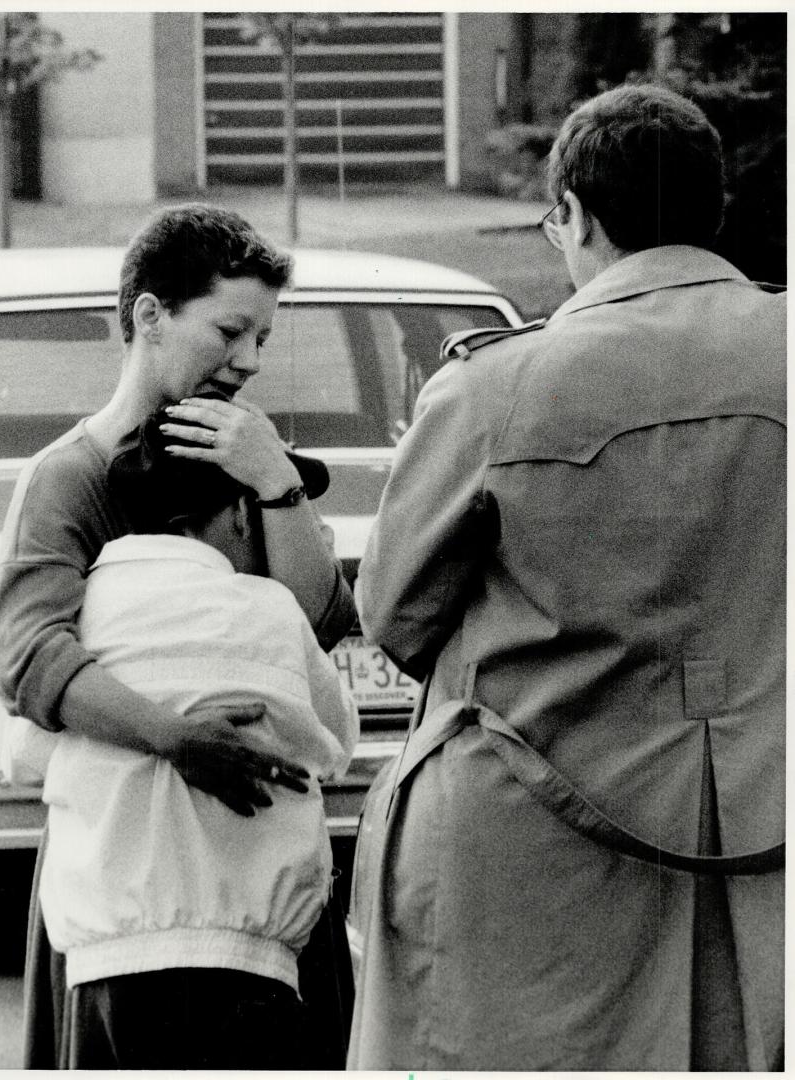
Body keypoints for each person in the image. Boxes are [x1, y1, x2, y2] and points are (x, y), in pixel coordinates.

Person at [348, 84, 784, 1071]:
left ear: (575, 216)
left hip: (534, 844)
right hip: (766, 825)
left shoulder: (496, 387)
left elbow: (395, 616)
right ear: (711, 210)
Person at [0, 204, 357, 1066]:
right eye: (231, 330)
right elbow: (29, 659)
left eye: (262, 337)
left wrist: (277, 487)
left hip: (265, 893)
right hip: (128, 891)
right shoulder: (68, 479)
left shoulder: (251, 461)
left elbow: (318, 622)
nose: (250, 361)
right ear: (149, 315)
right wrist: (176, 738)